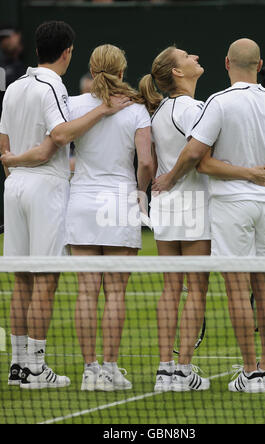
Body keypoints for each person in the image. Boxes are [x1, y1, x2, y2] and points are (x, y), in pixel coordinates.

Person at [3, 43, 153, 391]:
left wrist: (13, 161)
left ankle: (89, 372)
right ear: (121, 71)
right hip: (118, 200)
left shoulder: (71, 104)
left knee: (87, 291)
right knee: (114, 293)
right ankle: (110, 370)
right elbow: (145, 162)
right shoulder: (136, 110)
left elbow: (51, 145)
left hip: (81, 200)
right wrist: (141, 193)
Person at [152, 38, 265, 393]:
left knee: (236, 287)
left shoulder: (217, 102)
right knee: (263, 287)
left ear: (228, 63)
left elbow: (197, 157)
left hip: (231, 204)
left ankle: (249, 373)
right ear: (260, 66)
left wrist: (167, 178)